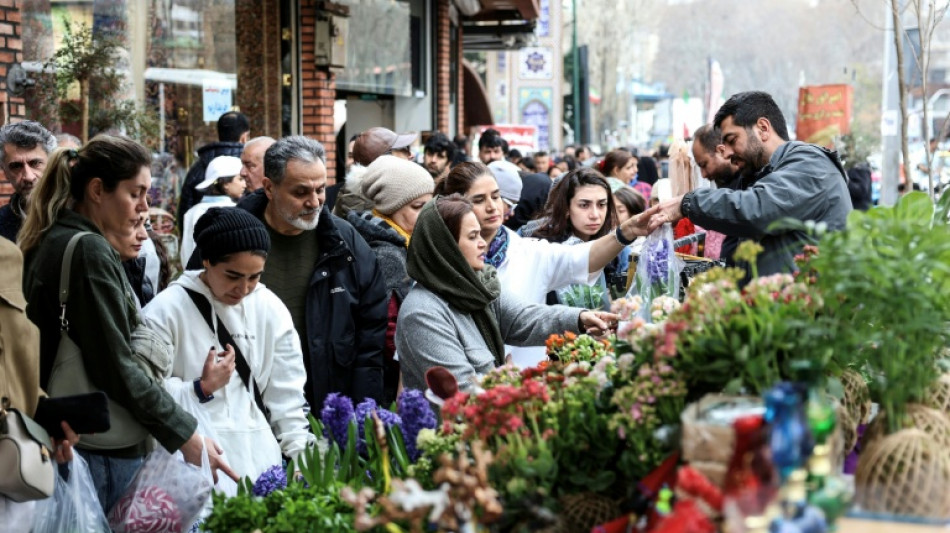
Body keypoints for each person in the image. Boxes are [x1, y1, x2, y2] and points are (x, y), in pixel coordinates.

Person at [19, 138, 235, 514]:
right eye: (135, 193)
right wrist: (184, 433)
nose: (144, 207)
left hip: (72, 438)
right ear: (98, 190)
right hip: (100, 449)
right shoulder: (88, 249)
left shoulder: (53, 237)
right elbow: (116, 364)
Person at [143, 208, 314, 481]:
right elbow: (142, 393)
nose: (244, 288)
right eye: (233, 276)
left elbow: (288, 400)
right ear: (207, 261)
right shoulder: (165, 309)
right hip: (189, 468)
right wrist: (200, 388)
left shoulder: (270, 308)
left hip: (261, 466)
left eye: (255, 276)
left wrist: (302, 460)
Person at [436, 162, 657, 367]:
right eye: (478, 200)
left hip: (528, 383)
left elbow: (582, 258)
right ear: (456, 207)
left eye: (496, 196)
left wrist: (627, 232)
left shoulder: (528, 251)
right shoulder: (437, 268)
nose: (493, 207)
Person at [395, 195, 617, 391]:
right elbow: (461, 389)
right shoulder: (422, 313)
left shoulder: (477, 287)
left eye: (480, 235)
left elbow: (523, 317)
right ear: (446, 248)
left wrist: (580, 319)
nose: (483, 244)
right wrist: (507, 380)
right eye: (472, 237)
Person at [238, 136, 387, 411]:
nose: (315, 201)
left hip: (330, 406)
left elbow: (371, 338)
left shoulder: (347, 242)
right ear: (269, 188)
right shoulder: (231, 240)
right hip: (249, 408)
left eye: (320, 189)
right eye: (301, 192)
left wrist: (363, 408)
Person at [651, 91, 852, 276]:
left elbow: (755, 209)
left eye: (732, 140)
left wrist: (686, 204)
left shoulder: (810, 164)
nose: (727, 153)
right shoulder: (765, 174)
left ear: (763, 129)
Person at [346, 156, 434, 404]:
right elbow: (390, 331)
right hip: (392, 384)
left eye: (429, 205)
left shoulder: (398, 240)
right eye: (418, 207)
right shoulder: (388, 253)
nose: (426, 214)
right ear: (390, 206)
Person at [521, 168, 617, 310]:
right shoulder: (544, 248)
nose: (595, 214)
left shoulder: (612, 244)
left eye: (602, 204)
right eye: (584, 205)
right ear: (566, 208)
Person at [177, 111, 250, 232]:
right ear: (244, 137)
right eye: (240, 179)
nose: (244, 184)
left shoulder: (198, 167)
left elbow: (185, 206)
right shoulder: (250, 166)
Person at [692, 123, 746, 264]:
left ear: (721, 151)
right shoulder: (730, 185)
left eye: (704, 165)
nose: (703, 175)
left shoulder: (748, 183)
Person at [181, 155, 246, 267]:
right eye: (240, 179)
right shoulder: (236, 211)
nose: (244, 184)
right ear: (225, 183)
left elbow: (186, 251)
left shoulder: (192, 212)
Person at [0, 121, 56, 242]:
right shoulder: (2, 224)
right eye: (16, 166)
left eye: (35, 163)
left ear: (51, 164)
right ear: (5, 172)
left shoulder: (77, 213)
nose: (29, 177)